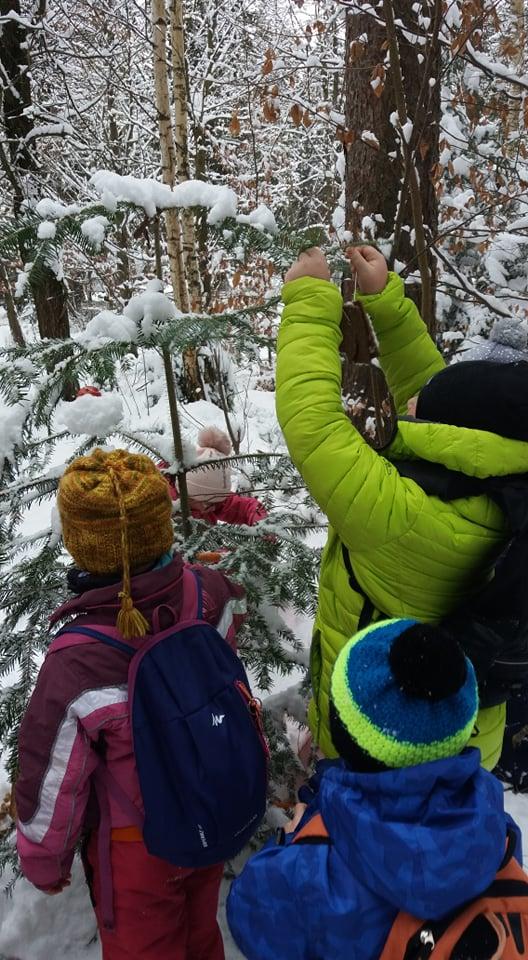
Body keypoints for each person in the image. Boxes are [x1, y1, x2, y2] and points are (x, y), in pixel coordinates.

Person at [276, 245, 528, 770]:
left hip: (379, 738)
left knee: (369, 842)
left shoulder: (401, 514)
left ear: (453, 429)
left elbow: (313, 425)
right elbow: (449, 406)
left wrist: (309, 301)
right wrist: (386, 306)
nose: (412, 401)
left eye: (425, 405)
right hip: (459, 746)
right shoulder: (505, 482)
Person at [15, 448, 246, 960]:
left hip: (135, 846)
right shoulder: (208, 594)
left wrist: (45, 863)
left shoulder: (77, 662)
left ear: (82, 546)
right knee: (200, 928)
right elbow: (235, 624)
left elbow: (53, 775)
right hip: (207, 809)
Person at [227, 618, 522, 960]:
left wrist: (290, 838)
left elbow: (248, 912)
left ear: (344, 735)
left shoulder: (309, 872)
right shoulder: (492, 824)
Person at [163, 426, 267, 527]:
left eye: (216, 503)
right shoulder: (162, 507)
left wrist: (261, 522)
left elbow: (244, 508)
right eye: (208, 504)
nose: (213, 509)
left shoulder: (211, 500)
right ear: (187, 493)